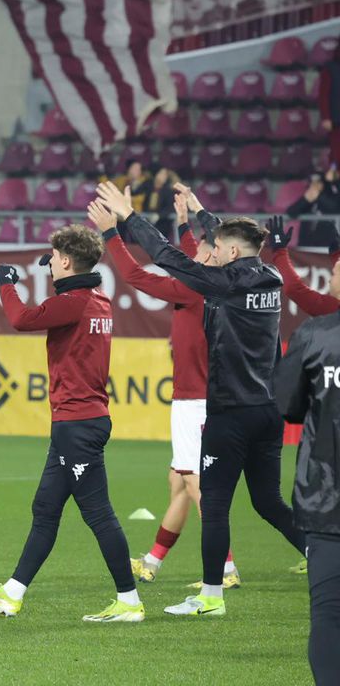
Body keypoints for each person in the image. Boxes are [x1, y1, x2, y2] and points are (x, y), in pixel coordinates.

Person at [94, 180, 307, 617]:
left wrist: (128, 218)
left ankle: (211, 596)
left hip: (229, 413)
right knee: (268, 502)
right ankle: (327, 561)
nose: (212, 251)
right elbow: (230, 241)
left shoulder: (224, 284)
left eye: (218, 247)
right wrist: (198, 213)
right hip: (268, 411)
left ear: (230, 252)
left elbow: (166, 257)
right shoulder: (272, 277)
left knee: (214, 504)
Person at [0, 226, 142, 622]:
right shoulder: (97, 298)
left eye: (53, 257)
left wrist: (7, 284)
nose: (49, 263)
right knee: (45, 507)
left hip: (77, 423)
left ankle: (129, 601)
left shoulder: (74, 302)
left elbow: (21, 318)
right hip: (77, 420)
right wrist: (58, 274)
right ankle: (12, 594)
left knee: (98, 514)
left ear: (64, 260)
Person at [88, 188, 240, 588]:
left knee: (195, 485)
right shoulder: (218, 281)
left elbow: (136, 276)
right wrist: (185, 223)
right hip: (210, 397)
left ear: (213, 256)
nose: (193, 251)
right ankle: (153, 561)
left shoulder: (194, 288)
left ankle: (225, 569)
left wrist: (112, 233)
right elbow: (189, 257)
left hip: (194, 401)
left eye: (201, 247)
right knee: (180, 482)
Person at [275, 266, 340, 684]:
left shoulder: (315, 335)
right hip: (326, 503)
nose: (331, 271)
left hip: (327, 500)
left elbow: (288, 405)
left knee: (329, 614)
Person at [266, 217, 340, 318]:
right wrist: (336, 253)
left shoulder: (333, 309)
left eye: (334, 275)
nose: (329, 280)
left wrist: (279, 251)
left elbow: (294, 289)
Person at [287, 169, 340, 248]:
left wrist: (319, 195)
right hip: (305, 247)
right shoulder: (309, 199)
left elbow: (334, 208)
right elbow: (291, 212)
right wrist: (305, 199)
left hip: (327, 248)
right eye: (311, 181)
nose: (314, 184)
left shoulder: (333, 199)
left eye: (317, 181)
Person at [319, 43, 339, 170]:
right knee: (337, 154)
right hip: (336, 120)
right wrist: (326, 117)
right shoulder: (330, 69)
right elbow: (323, 95)